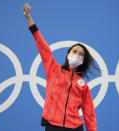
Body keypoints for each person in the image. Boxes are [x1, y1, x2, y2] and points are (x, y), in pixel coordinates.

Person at [23, 3, 97, 131]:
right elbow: (42, 46)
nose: (77, 55)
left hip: (75, 128)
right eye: (75, 52)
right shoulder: (54, 69)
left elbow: (89, 114)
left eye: (81, 54)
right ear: (68, 54)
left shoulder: (83, 85)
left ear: (83, 60)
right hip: (52, 125)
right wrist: (29, 18)